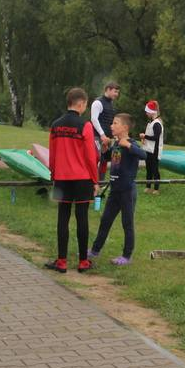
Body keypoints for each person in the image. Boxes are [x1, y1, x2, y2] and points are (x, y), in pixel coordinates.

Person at [48, 87, 99, 273]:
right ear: (81, 103)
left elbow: (52, 156)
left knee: (62, 218)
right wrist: (95, 180)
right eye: (86, 104)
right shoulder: (85, 126)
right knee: (82, 218)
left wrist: (53, 175)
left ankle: (61, 261)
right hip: (82, 179)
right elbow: (90, 156)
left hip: (61, 178)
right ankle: (83, 262)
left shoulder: (55, 125)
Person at [89, 113, 147, 266]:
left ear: (125, 127)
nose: (111, 126)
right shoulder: (116, 143)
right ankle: (95, 250)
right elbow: (110, 158)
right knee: (105, 221)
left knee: (127, 224)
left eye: (115, 123)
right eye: (112, 123)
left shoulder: (131, 143)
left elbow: (143, 155)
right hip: (114, 190)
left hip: (127, 191)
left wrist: (127, 145)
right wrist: (105, 149)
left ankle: (126, 256)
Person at [91, 81, 120, 180]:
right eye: (115, 91)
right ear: (108, 89)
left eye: (117, 92)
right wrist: (102, 135)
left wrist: (114, 135)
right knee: (95, 159)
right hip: (97, 137)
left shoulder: (111, 104)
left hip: (108, 138)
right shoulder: (97, 102)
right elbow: (94, 119)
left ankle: (101, 182)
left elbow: (111, 122)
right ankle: (92, 182)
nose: (117, 94)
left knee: (104, 160)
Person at [142, 100, 164, 194]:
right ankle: (148, 186)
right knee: (149, 169)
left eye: (147, 111)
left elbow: (155, 137)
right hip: (148, 150)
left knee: (155, 170)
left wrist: (145, 136)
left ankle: (156, 188)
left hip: (154, 150)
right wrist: (145, 139)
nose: (146, 113)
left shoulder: (157, 124)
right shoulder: (150, 122)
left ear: (152, 112)